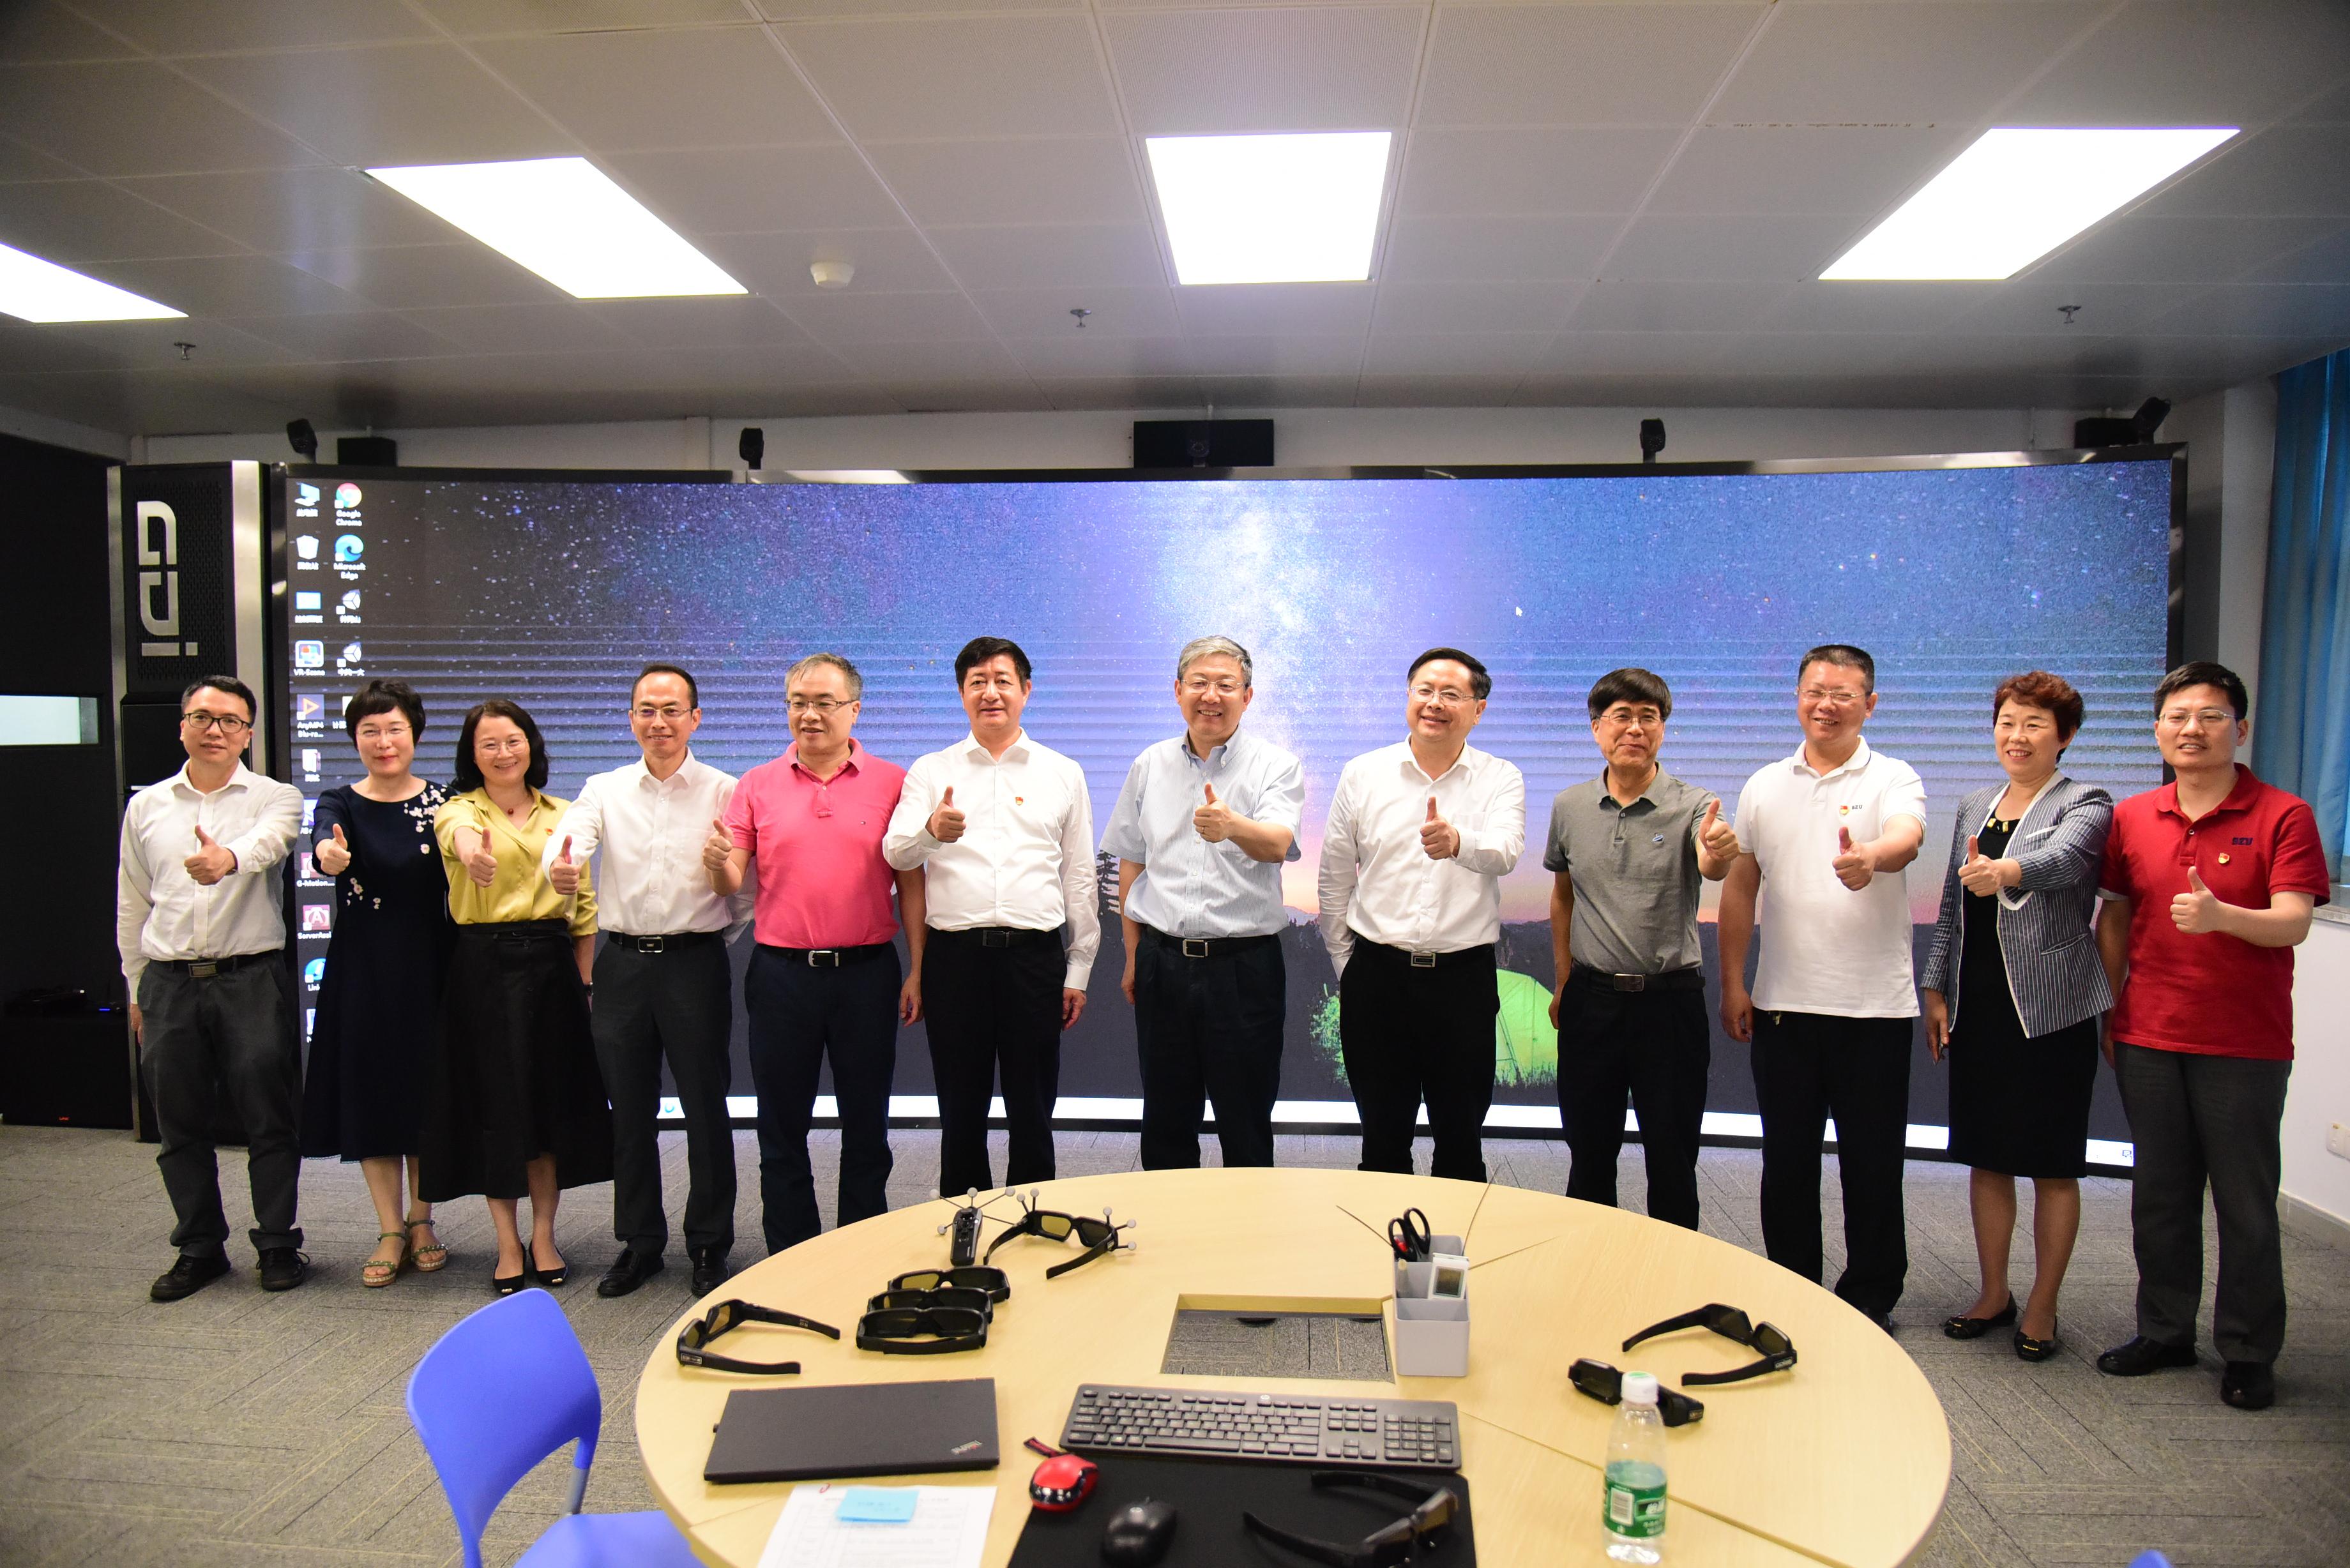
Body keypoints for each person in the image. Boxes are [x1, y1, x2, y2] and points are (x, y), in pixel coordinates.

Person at [2093, 661, 2328, 1411]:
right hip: (2148, 1033)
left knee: (2243, 1203)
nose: (2191, 729)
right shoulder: (2132, 815)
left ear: (2240, 727)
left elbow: (2292, 920)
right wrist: (2110, 1008)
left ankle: (2248, 1350)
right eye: (2176, 716)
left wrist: (2223, 915)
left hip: (2242, 1043)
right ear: (2156, 730)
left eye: (2210, 715)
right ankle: (2163, 1329)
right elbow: (2115, 915)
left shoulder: (2284, 814)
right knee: (2159, 1194)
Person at [1718, 644, 1926, 1331]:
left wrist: (1871, 856)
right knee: (1786, 1161)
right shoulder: (1763, 784)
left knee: (1872, 1164)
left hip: (1874, 1010)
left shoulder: (1893, 776)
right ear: (1797, 696)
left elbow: (1906, 837)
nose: (1826, 704)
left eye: (1843, 693)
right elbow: (1740, 887)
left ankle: (1870, 1293)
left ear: (1870, 703)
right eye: (1814, 690)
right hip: (1783, 1007)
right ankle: (1792, 1284)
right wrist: (1733, 982)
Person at [1919, 672, 2113, 1361]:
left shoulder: (2085, 799)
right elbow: (1951, 904)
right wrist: (1934, 985)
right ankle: (1994, 1291)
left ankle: (2042, 1304)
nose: (2017, 736)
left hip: (2050, 1009)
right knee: (1987, 1156)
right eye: (2007, 722)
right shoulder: (1975, 803)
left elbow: (2064, 861)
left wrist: (2004, 871)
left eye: (2034, 724)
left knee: (2051, 1164)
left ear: (2064, 736)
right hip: (1979, 1005)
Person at [545, 665, 749, 1297]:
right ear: (631, 718)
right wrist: (561, 867)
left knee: (705, 1105)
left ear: (695, 718)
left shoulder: (725, 790)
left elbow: (744, 886)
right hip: (623, 964)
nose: (658, 722)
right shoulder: (604, 788)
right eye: (646, 710)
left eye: (671, 710)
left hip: (694, 962)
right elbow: (569, 839)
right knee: (629, 1109)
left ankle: (709, 1243)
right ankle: (639, 1243)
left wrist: (714, 936)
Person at [713, 652, 922, 1253]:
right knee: (781, 1126)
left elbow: (911, 882)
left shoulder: (894, 782)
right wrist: (717, 865)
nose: (809, 714)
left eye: (824, 703)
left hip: (866, 974)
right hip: (782, 976)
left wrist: (919, 968)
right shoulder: (756, 784)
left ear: (854, 710)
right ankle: (792, 1255)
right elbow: (730, 878)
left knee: (867, 1125)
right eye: (798, 703)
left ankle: (860, 1251)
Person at [884, 637, 1099, 1196]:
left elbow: (1079, 876)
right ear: (962, 694)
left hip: (1034, 959)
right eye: (977, 682)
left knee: (1033, 1109)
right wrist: (932, 832)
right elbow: (896, 852)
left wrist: (1079, 968)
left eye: (1003, 681)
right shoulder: (932, 770)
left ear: (1026, 690)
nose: (990, 692)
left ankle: (1033, 1218)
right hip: (956, 960)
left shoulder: (1062, 772)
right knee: (961, 1109)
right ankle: (966, 1221)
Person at [118, 675, 307, 1301]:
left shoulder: (275, 796)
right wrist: (135, 987)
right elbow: (131, 901)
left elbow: (270, 843)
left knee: (269, 1118)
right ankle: (199, 1247)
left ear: (248, 733)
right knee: (179, 1125)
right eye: (202, 717)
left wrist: (226, 858)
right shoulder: (147, 806)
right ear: (182, 727)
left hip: (249, 978)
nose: (215, 729)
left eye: (230, 720)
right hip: (168, 982)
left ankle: (277, 1242)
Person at [418, 699, 610, 1295]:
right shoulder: (458, 811)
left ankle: (544, 1235)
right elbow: (458, 839)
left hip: (553, 966)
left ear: (531, 746)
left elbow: (583, 913)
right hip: (483, 967)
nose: (504, 753)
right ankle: (507, 1241)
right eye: (489, 744)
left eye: (513, 741)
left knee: (548, 1106)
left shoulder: (565, 813)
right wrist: (474, 856)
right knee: (496, 1108)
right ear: (472, 755)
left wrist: (584, 985)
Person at [1318, 647, 1526, 1182]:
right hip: (1377, 977)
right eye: (1425, 691)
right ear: (1408, 697)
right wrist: (1348, 966)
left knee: (1461, 1143)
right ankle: (1385, 1236)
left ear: (1478, 710)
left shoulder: (1501, 777)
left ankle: (1455, 1239)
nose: (1435, 703)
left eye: (1451, 694)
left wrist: (1458, 842)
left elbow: (1506, 851)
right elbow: (1335, 877)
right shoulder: (1363, 773)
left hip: (1462, 982)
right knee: (1382, 1142)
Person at [1543, 668, 1738, 1230]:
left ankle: (1672, 1274)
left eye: (1648, 717)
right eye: (1621, 716)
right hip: (1591, 1001)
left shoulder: (1695, 804)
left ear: (1663, 729)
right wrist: (1563, 981)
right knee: (1588, 1153)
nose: (1635, 728)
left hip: (1668, 1003)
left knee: (1672, 1158)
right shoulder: (1570, 806)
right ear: (1596, 728)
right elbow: (1563, 897)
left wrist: (1719, 852)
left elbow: (1711, 863)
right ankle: (1589, 1264)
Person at [1104, 635, 1305, 1170]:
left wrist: (1233, 825)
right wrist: (1133, 955)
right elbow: (1131, 860)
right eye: (1199, 683)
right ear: (1178, 691)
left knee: (1246, 1123)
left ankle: (1247, 1223)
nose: (1211, 696)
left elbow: (1279, 844)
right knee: (1166, 1121)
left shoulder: (1276, 765)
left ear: (1248, 696)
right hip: (1163, 961)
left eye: (1225, 685)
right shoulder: (1150, 764)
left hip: (1244, 968)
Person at [299, 679, 457, 1286]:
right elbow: (324, 844)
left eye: (394, 729)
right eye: (370, 731)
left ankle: (422, 1220)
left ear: (414, 734)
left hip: (433, 965)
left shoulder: (446, 801)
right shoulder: (339, 802)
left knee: (426, 1093)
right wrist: (329, 856)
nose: (383, 741)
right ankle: (389, 1228)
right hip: (363, 969)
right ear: (355, 739)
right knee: (372, 1092)